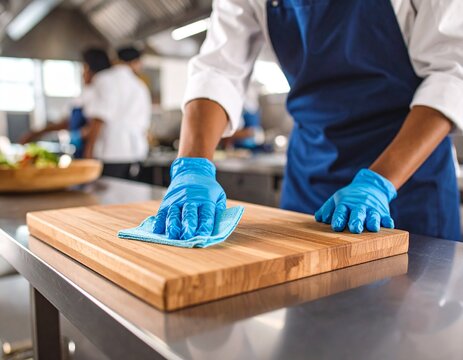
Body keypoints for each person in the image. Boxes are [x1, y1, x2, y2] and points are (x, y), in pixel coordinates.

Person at [153, 0, 463, 241]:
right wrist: (192, 167)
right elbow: (218, 69)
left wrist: (378, 184)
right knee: (305, 304)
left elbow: (452, 72)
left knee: (413, 313)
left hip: (409, 177)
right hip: (311, 169)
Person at [20, 48, 111, 158]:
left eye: (85, 67)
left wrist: (87, 151)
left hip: (94, 154)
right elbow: (67, 122)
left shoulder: (102, 93)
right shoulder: (85, 94)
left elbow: (96, 125)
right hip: (79, 151)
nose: (83, 73)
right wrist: (35, 133)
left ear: (93, 69)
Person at [81, 47, 151, 179]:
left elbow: (99, 118)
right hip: (135, 154)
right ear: (135, 62)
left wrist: (88, 153)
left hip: (110, 154)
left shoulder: (104, 79)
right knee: (132, 196)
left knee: (107, 197)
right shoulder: (140, 86)